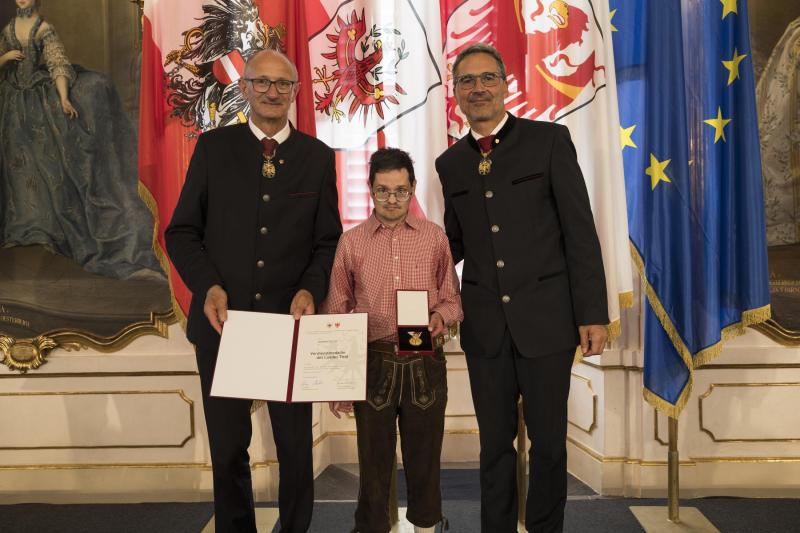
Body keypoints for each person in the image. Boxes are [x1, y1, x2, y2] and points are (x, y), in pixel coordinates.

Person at [165, 49, 342, 533]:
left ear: (296, 93)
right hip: (225, 325)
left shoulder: (318, 157)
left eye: (283, 85)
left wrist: (310, 289)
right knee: (227, 448)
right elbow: (180, 232)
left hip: (290, 326)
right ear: (244, 89)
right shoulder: (213, 148)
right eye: (262, 82)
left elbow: (328, 241)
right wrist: (209, 286)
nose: (272, 92)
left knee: (294, 451)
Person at [435, 43, 608, 532]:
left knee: (550, 442)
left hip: (547, 322)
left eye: (487, 78)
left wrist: (591, 313)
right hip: (486, 326)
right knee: (494, 445)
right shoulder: (450, 163)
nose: (478, 88)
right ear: (456, 94)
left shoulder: (549, 141)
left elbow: (580, 231)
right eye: (467, 81)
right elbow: (452, 243)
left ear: (506, 84)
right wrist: (397, 271)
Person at [324, 148, 462, 533]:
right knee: (373, 460)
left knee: (424, 456)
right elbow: (336, 311)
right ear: (369, 188)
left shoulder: (434, 238)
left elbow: (453, 299)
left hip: (424, 360)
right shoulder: (351, 243)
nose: (392, 200)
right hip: (374, 360)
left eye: (400, 191)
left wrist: (440, 316)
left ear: (413, 189)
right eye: (383, 190)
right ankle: (371, 527)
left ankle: (427, 525)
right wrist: (338, 381)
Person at [0, 0, 161, 279]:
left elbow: (57, 63)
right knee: (18, 165)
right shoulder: (9, 29)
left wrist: (63, 98)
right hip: (12, 102)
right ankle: (25, 228)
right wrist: (4, 58)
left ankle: (45, 229)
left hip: (36, 101)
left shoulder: (44, 28)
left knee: (45, 163)